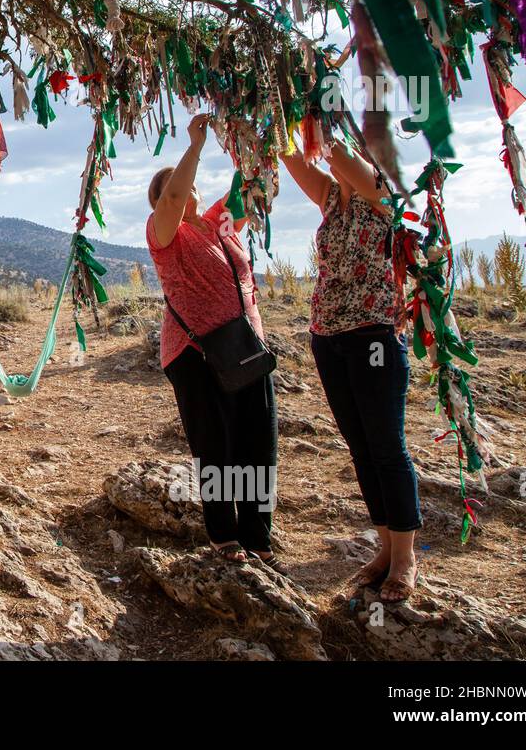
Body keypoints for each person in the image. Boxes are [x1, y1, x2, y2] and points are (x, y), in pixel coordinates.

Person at [281, 138, 419, 602]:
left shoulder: (382, 195)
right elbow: (287, 153)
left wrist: (316, 104)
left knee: (387, 447)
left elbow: (334, 152)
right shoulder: (331, 198)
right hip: (328, 337)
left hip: (375, 335)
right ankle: (383, 548)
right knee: (360, 448)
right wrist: (264, 98)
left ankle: (405, 559)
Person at [146, 114, 281, 569]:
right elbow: (175, 197)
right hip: (194, 354)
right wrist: (196, 146)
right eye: (177, 189)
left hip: (246, 348)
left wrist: (259, 125)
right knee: (217, 447)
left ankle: (259, 542)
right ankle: (225, 539)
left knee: (259, 444)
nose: (189, 192)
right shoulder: (165, 234)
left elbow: (253, 180)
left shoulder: (218, 225)